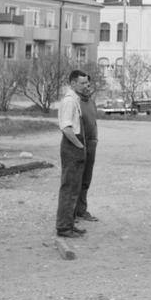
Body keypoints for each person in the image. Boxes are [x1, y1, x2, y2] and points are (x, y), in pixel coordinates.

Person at [56, 69, 96, 238]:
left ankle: (70, 223)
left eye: (87, 82)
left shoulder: (77, 100)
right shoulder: (69, 101)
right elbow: (66, 128)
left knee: (75, 188)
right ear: (73, 84)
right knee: (69, 188)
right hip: (73, 146)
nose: (85, 86)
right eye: (82, 83)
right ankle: (64, 227)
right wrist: (80, 146)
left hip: (78, 146)